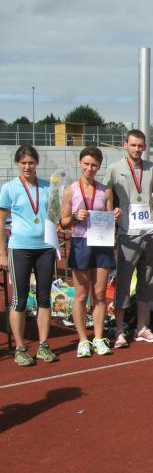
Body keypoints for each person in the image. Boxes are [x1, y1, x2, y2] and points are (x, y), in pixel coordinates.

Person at [103, 128, 153, 348]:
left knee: (147, 282)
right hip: (127, 234)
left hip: (148, 233)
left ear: (145, 147)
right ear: (125, 145)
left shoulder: (152, 168)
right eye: (133, 145)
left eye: (140, 146)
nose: (137, 149)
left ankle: (142, 328)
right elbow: (107, 195)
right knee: (123, 282)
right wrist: (111, 214)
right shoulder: (114, 168)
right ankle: (119, 331)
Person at [60, 146, 122, 358]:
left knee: (100, 294)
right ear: (80, 164)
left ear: (99, 166)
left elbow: (110, 219)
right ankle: (83, 340)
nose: (89, 168)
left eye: (94, 165)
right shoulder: (70, 191)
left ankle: (98, 337)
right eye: (86, 164)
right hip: (81, 243)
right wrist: (75, 217)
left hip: (102, 243)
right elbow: (63, 222)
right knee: (81, 295)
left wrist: (115, 215)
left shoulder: (106, 191)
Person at [0, 145, 59, 366]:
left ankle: (43, 345)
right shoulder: (9, 188)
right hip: (20, 248)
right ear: (18, 164)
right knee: (19, 299)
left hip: (45, 248)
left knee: (44, 298)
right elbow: (0, 222)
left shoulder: (47, 187)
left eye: (31, 162)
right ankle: (20, 348)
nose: (27, 166)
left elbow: (55, 214)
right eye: (23, 162)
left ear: (37, 163)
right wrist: (2, 252)